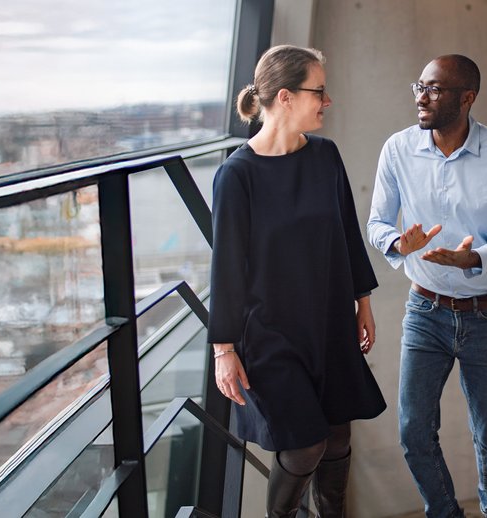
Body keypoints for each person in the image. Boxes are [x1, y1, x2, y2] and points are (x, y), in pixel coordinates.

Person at [207, 45, 386, 518]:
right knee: (305, 445)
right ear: (285, 97)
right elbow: (225, 267)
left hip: (328, 325)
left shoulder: (325, 156)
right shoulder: (235, 175)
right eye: (319, 91)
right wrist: (224, 349)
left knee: (339, 436)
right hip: (269, 336)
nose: (327, 101)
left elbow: (347, 231)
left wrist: (362, 301)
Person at [367, 55, 487, 518]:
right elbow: (376, 222)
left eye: (435, 89)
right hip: (425, 312)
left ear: (467, 98)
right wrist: (400, 241)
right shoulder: (398, 149)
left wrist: (469, 258)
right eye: (419, 85)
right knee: (414, 431)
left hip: (486, 315)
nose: (422, 96)